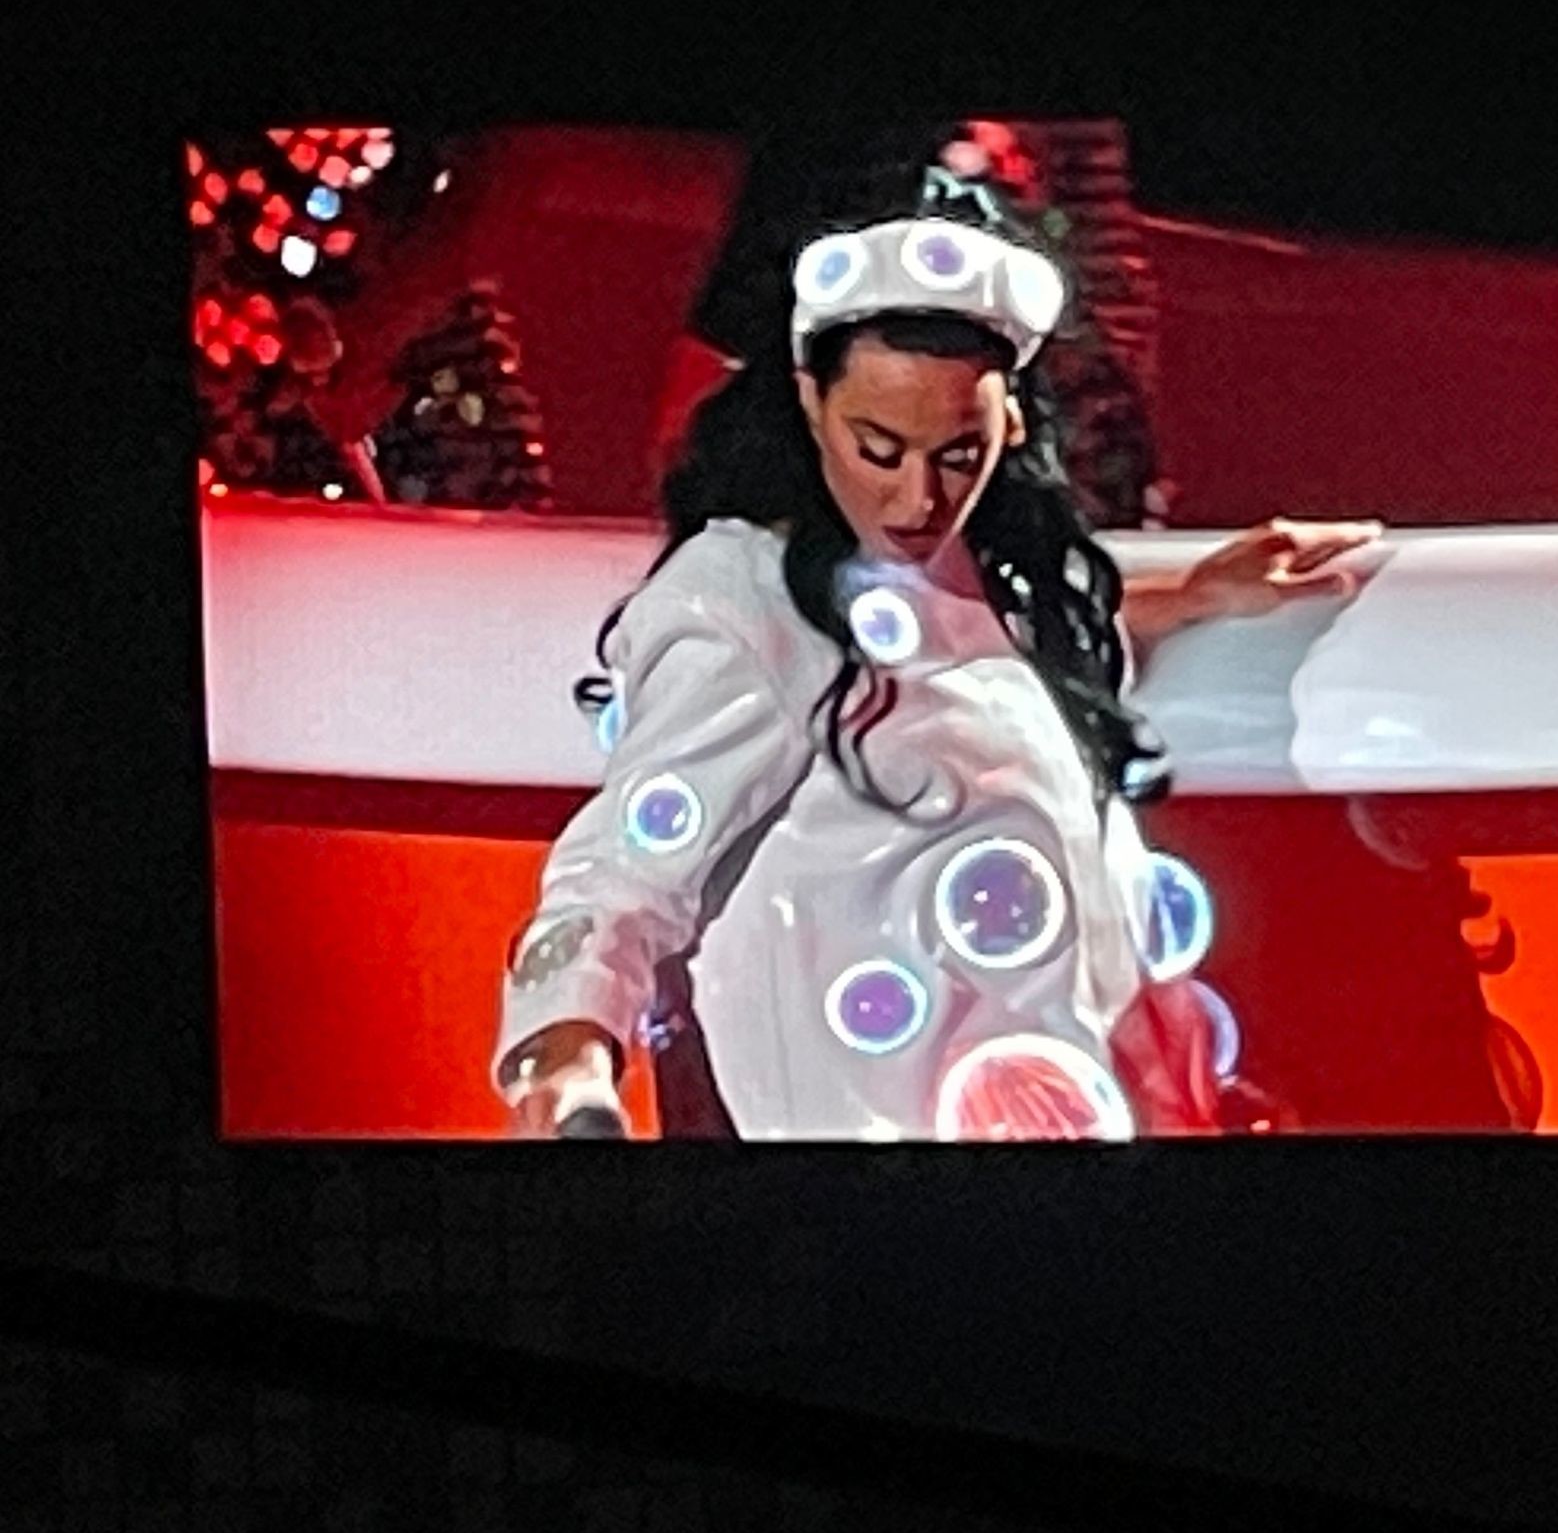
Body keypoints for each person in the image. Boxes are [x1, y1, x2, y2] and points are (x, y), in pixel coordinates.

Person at [491, 148, 1379, 1139]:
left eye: (960, 454)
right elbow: (622, 872)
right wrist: (565, 1062)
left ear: (1010, 421)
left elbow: (974, 686)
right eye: (879, 449)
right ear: (810, 400)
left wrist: (1190, 598)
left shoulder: (988, 584)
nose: (919, 498)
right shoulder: (740, 600)